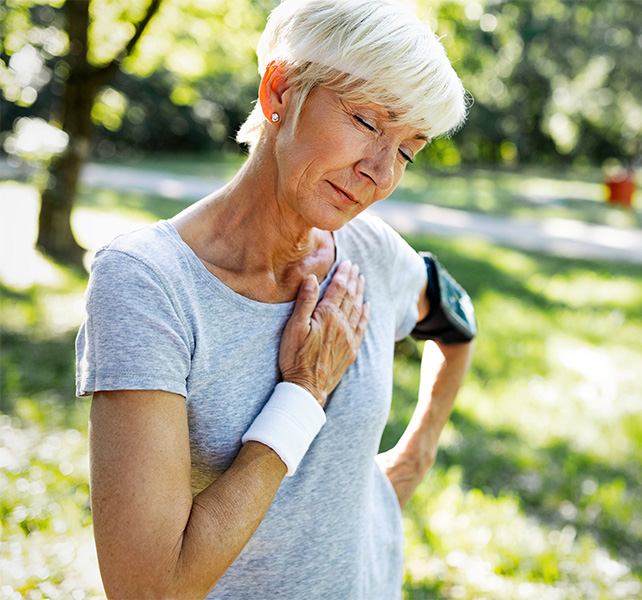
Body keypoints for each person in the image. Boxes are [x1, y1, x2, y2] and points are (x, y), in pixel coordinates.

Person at [75, 0, 475, 597]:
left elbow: (455, 316)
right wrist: (302, 395)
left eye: (409, 149)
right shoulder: (147, 284)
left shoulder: (368, 250)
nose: (381, 173)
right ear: (281, 91)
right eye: (368, 122)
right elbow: (148, 589)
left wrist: (415, 455)